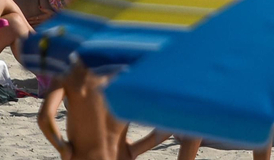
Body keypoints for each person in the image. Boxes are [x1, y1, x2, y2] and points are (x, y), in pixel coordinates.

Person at [38, 60, 173, 160]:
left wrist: (63, 148)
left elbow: (45, 118)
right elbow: (171, 119)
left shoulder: (69, 72)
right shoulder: (130, 74)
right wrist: (136, 149)